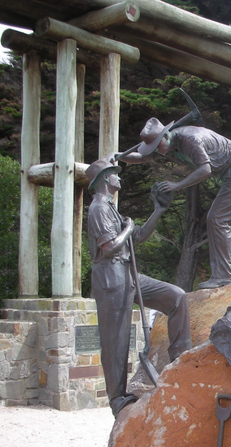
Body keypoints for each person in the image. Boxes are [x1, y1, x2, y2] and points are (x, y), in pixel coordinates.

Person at [86, 158, 191, 417]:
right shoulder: (98, 208)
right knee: (116, 341)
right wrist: (128, 228)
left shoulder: (112, 209)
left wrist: (158, 210)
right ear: (104, 180)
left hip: (128, 273)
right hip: (111, 278)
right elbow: (109, 247)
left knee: (176, 297)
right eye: (115, 175)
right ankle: (116, 398)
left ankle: (181, 359)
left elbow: (139, 236)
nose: (119, 178)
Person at [118, 118, 231, 289]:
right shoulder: (169, 143)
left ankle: (222, 276)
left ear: (165, 135)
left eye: (157, 146)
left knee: (217, 219)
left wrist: (177, 185)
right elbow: (143, 157)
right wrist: (119, 157)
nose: (157, 150)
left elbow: (205, 170)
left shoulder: (190, 139)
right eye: (153, 147)